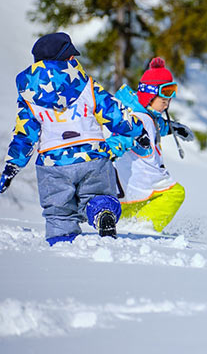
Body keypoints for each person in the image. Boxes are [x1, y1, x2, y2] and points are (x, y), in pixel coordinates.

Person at [0, 32, 149, 245]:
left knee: (59, 212)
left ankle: (63, 247)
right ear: (66, 59)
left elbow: (25, 134)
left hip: (53, 162)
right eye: (72, 57)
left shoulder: (29, 95)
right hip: (92, 157)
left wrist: (11, 168)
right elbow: (114, 112)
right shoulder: (86, 85)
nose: (75, 60)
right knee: (98, 196)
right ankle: (101, 212)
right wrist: (138, 132)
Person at [111, 57, 194, 232]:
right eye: (164, 95)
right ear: (149, 93)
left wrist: (173, 129)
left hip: (130, 183)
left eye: (171, 95)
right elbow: (125, 135)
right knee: (175, 193)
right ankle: (144, 230)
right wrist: (109, 150)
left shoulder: (145, 115)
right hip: (142, 179)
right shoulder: (139, 118)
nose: (168, 101)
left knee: (127, 215)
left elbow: (155, 126)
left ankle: (130, 230)